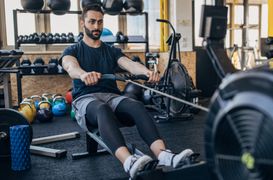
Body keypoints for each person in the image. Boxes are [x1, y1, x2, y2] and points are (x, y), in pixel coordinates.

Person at [60, 4, 194, 179]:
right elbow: (70, 66)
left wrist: (145, 72)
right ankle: (128, 162)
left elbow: (129, 64)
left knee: (136, 106)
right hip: (86, 99)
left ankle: (164, 155)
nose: (96, 26)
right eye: (92, 22)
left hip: (112, 97)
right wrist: (84, 74)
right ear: (82, 23)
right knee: (102, 109)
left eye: (100, 22)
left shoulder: (111, 50)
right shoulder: (73, 50)